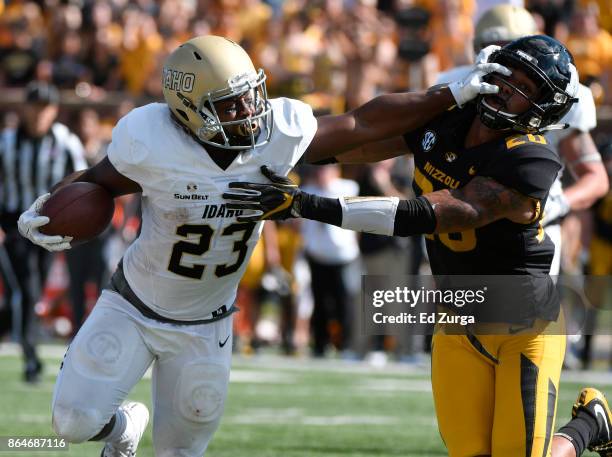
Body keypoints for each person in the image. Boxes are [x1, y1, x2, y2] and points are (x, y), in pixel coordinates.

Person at [17, 35, 508, 456]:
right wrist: (51, 205)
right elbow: (97, 181)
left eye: (249, 95)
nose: (248, 112)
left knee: (181, 451)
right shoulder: (152, 141)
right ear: (188, 109)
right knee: (73, 422)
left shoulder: (277, 131)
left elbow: (362, 122)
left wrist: (452, 94)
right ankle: (124, 426)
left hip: (207, 325)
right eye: (228, 105)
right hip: (133, 305)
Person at [222, 36, 612, 457]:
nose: (507, 90)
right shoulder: (448, 119)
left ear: (544, 108)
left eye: (525, 89)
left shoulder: (531, 160)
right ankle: (594, 422)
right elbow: (363, 136)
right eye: (506, 76)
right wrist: (280, 152)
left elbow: (428, 214)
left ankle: (587, 425)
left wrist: (304, 204)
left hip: (522, 319)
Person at [0, 81, 86, 383]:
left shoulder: (65, 143)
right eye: (34, 107)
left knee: (31, 291)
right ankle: (30, 355)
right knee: (24, 288)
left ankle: (26, 342)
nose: (39, 114)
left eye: (45, 108)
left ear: (54, 111)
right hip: (10, 227)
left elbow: (82, 182)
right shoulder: (7, 142)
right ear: (24, 108)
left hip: (50, 228)